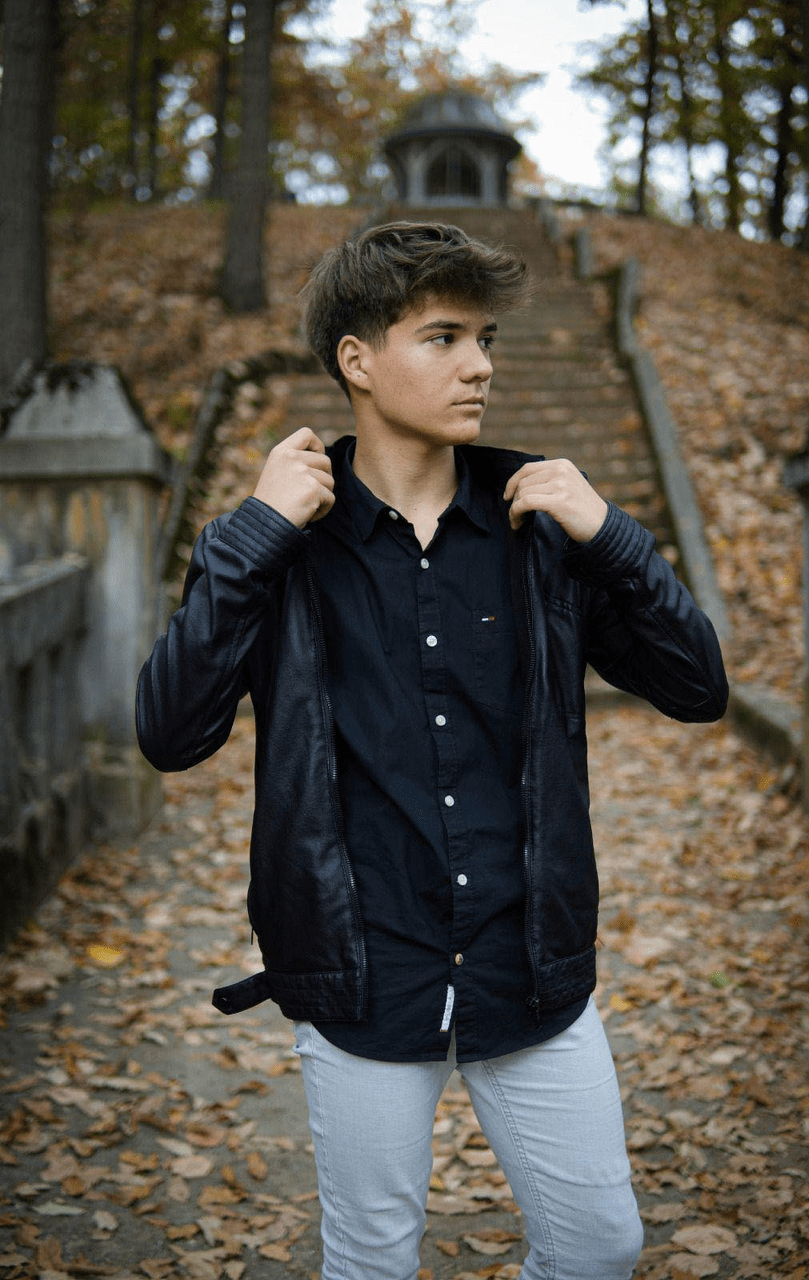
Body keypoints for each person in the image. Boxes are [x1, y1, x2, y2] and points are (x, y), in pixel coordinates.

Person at [136, 220, 728, 1280]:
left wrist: (613, 536)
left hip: (529, 963)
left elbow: (697, 687)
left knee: (600, 1245)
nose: (481, 365)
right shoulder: (275, 542)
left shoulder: (541, 530)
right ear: (357, 360)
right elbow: (171, 733)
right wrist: (255, 532)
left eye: (484, 338)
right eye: (444, 337)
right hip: (362, 971)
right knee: (371, 1260)